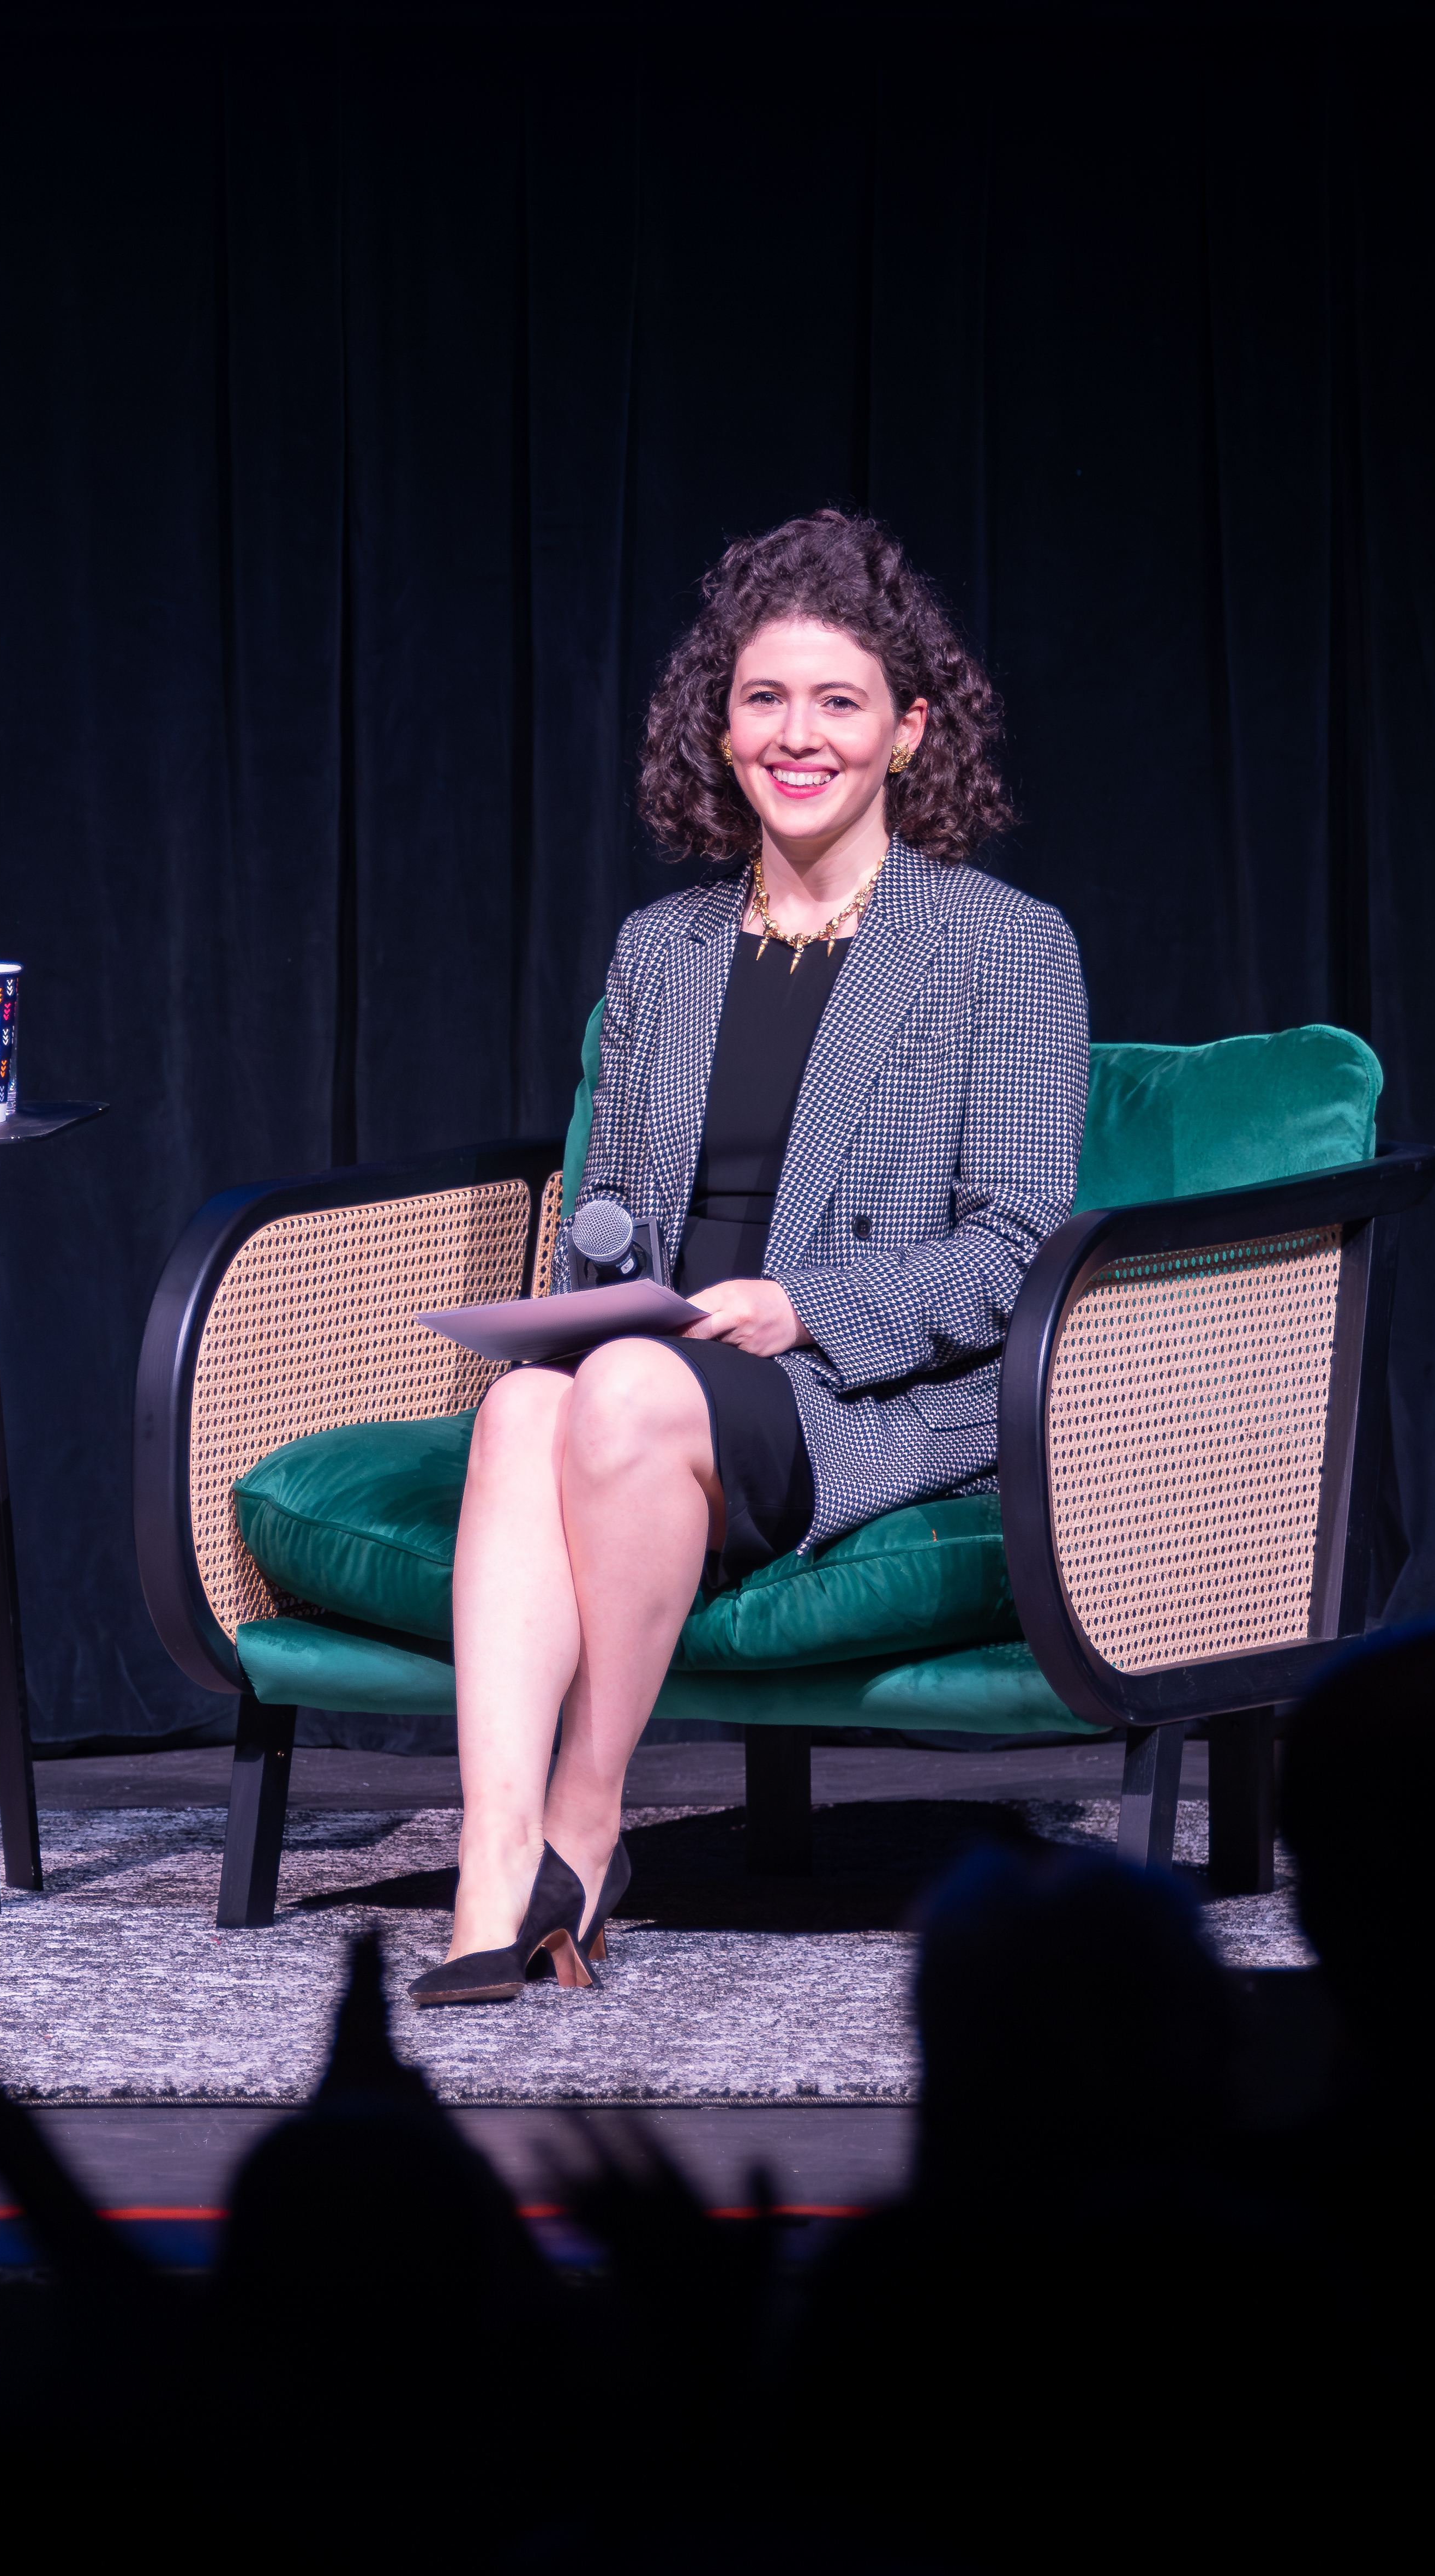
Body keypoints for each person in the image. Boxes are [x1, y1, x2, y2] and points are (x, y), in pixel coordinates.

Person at [419, 510, 1086, 2005]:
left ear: (911, 733)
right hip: (646, 1376)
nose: (799, 736)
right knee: (532, 1403)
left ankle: (585, 1828)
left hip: (845, 1388)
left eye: (840, 702)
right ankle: (495, 1854)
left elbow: (1019, 1243)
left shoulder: (1004, 945)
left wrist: (804, 1306)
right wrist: (583, 1290)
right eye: (764, 700)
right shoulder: (661, 949)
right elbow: (609, 1208)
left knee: (631, 1394)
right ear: (718, 730)